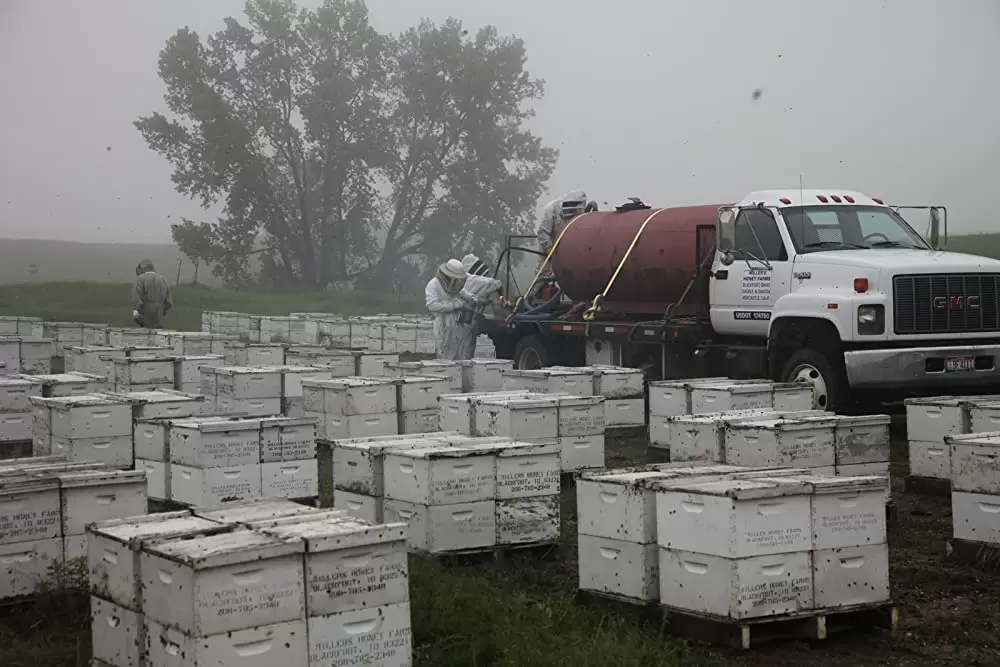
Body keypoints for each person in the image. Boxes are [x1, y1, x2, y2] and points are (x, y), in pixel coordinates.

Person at [457, 254, 503, 359]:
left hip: (458, 322)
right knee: (465, 353)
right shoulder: (473, 280)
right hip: (465, 324)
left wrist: (482, 302)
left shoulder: (460, 280)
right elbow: (497, 284)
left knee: (456, 355)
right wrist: (501, 301)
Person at [425, 259, 468, 360]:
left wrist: (472, 298)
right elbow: (431, 305)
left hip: (457, 323)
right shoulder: (433, 284)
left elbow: (462, 292)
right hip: (442, 323)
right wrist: (453, 306)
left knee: (458, 354)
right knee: (444, 355)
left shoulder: (455, 283)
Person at [131, 259, 173, 329]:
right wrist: (162, 312)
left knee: (147, 334)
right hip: (160, 314)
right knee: (159, 336)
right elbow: (169, 302)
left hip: (146, 314)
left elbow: (137, 299)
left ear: (142, 269)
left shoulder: (140, 279)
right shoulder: (163, 279)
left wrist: (136, 311)